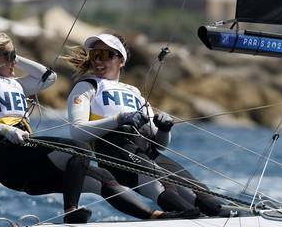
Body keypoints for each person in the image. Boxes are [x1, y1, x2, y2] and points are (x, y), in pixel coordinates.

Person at [0, 30, 178, 223]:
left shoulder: (13, 84)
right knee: (78, 148)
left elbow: (48, 77)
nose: (14, 61)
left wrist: (14, 58)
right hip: (5, 155)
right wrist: (4, 129)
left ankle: (153, 216)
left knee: (104, 176)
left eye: (14, 55)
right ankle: (71, 210)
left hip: (29, 162)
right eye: (10, 55)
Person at [63, 32, 223, 216]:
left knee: (205, 197)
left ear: (121, 61)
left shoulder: (134, 91)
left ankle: (224, 219)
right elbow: (77, 132)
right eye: (94, 55)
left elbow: (159, 144)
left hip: (147, 152)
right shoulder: (87, 87)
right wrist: (118, 119)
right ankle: (198, 223)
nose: (98, 60)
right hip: (115, 152)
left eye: (106, 55)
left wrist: (164, 129)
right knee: (163, 185)